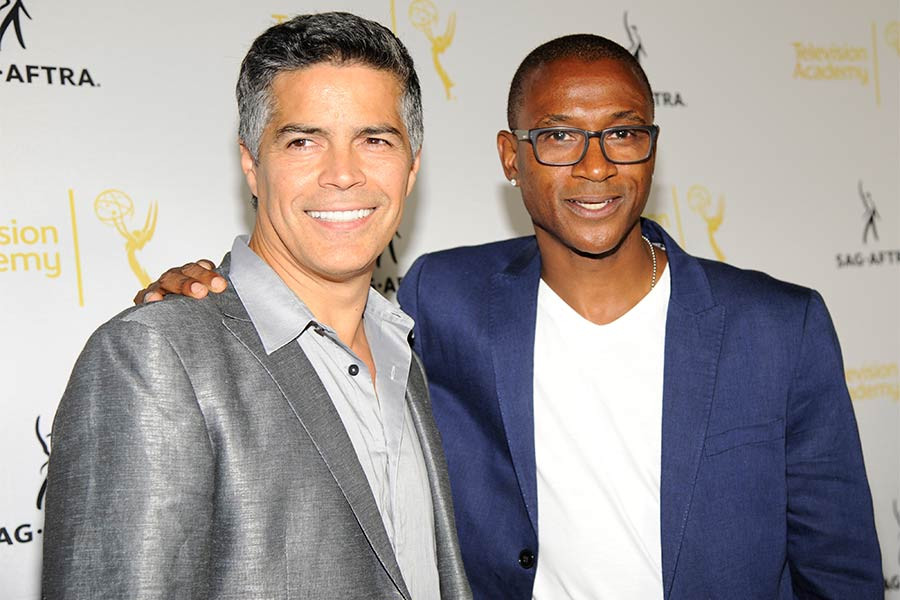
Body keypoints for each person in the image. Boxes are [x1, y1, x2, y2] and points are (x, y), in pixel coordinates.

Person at [138, 34, 884, 599]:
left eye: (623, 132)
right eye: (558, 136)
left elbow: (839, 569)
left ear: (652, 150)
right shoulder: (442, 297)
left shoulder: (777, 326)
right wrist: (209, 292)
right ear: (510, 156)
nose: (595, 165)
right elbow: (312, 326)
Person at [42, 12, 471, 600]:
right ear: (251, 165)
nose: (343, 174)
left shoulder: (403, 354)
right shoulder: (154, 358)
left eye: (374, 140)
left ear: (412, 166)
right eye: (303, 142)